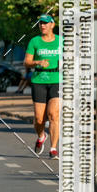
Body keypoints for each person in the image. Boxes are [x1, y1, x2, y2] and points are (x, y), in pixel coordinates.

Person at [24, 15, 62, 159]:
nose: (43, 26)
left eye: (45, 23)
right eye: (40, 23)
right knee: (39, 119)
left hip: (57, 80)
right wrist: (38, 62)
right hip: (39, 80)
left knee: (54, 115)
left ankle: (53, 149)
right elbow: (27, 62)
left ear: (52, 24)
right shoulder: (35, 41)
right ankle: (41, 136)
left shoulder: (61, 41)